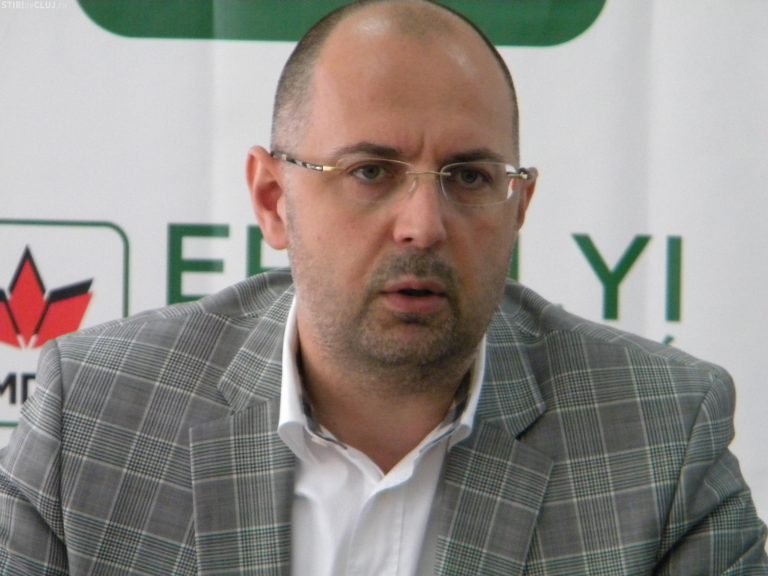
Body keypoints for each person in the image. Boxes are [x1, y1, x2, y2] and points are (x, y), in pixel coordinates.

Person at [1, 0, 766, 574]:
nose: (423, 226)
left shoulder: (659, 438)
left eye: (470, 177)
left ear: (519, 207)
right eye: (370, 172)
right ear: (272, 199)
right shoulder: (97, 416)